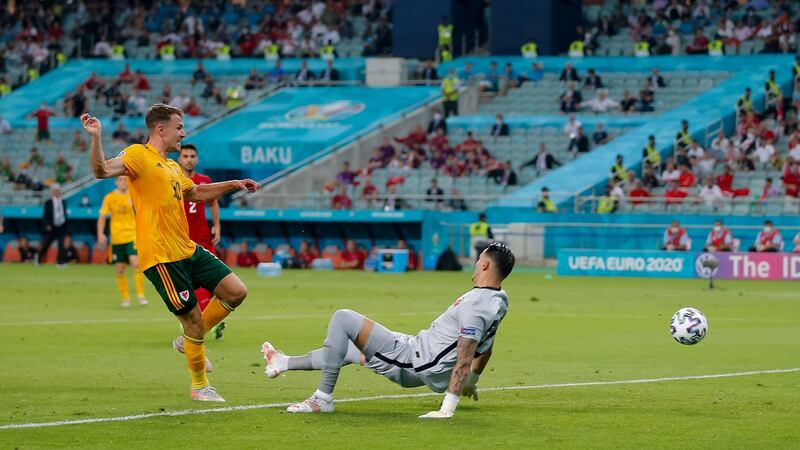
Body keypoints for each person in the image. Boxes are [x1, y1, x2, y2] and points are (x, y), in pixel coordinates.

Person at [81, 104, 258, 402]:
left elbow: (197, 193)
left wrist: (233, 185)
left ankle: (185, 342)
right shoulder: (138, 155)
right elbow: (101, 170)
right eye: (179, 127)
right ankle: (200, 386)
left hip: (187, 248)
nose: (184, 133)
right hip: (162, 257)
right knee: (193, 322)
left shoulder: (174, 167)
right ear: (161, 129)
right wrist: (96, 137)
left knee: (235, 291)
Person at [261, 242, 514, 417]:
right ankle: (283, 362)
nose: (475, 263)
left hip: (412, 360)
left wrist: (448, 406)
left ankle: (322, 399)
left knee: (343, 319)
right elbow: (487, 347)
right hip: (418, 354)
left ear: (484, 266)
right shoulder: (498, 299)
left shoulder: (474, 305)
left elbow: (465, 356)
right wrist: (472, 381)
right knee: (347, 349)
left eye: (479, 259)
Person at [179, 144, 225, 336]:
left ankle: (209, 320)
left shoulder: (204, 181)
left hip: (204, 240)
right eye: (185, 156)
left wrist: (217, 225)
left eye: (192, 156)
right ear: (179, 159)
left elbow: (213, 202)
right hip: (182, 241)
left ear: (196, 159)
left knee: (220, 283)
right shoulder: (173, 179)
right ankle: (200, 322)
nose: (189, 159)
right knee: (188, 287)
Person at [98, 176, 148, 308]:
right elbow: (102, 216)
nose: (123, 182)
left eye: (125, 180)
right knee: (120, 269)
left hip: (132, 235)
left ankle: (141, 295)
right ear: (116, 182)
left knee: (136, 264)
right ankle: (125, 298)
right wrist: (100, 233)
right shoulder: (109, 197)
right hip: (117, 238)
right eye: (120, 180)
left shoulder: (134, 194)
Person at [40, 184, 68, 265]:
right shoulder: (48, 203)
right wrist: (47, 225)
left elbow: (64, 213)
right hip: (52, 227)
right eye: (55, 191)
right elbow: (45, 215)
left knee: (61, 245)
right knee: (46, 244)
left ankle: (60, 262)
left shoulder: (63, 202)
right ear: (52, 192)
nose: (57, 192)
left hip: (61, 226)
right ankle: (39, 258)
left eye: (58, 190)